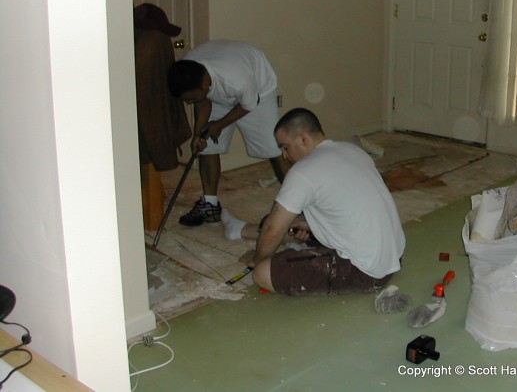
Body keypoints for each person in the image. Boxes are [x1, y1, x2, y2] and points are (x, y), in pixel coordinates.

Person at [244, 108, 406, 295]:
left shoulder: (303, 171)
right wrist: (304, 224)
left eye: (285, 147)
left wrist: (258, 260)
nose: (285, 156)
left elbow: (272, 230)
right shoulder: (352, 150)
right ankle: (249, 232)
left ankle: (276, 250)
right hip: (394, 255)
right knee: (294, 224)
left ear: (303, 139)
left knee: (262, 273)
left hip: (367, 272)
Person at [167, 40, 288, 226]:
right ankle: (210, 206)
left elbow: (249, 104)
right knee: (207, 147)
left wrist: (219, 125)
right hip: (219, 91)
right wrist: (198, 135)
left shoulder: (236, 78)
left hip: (258, 93)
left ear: (205, 83)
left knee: (275, 148)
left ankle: (297, 206)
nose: (189, 103)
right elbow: (203, 101)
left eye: (190, 99)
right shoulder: (190, 69)